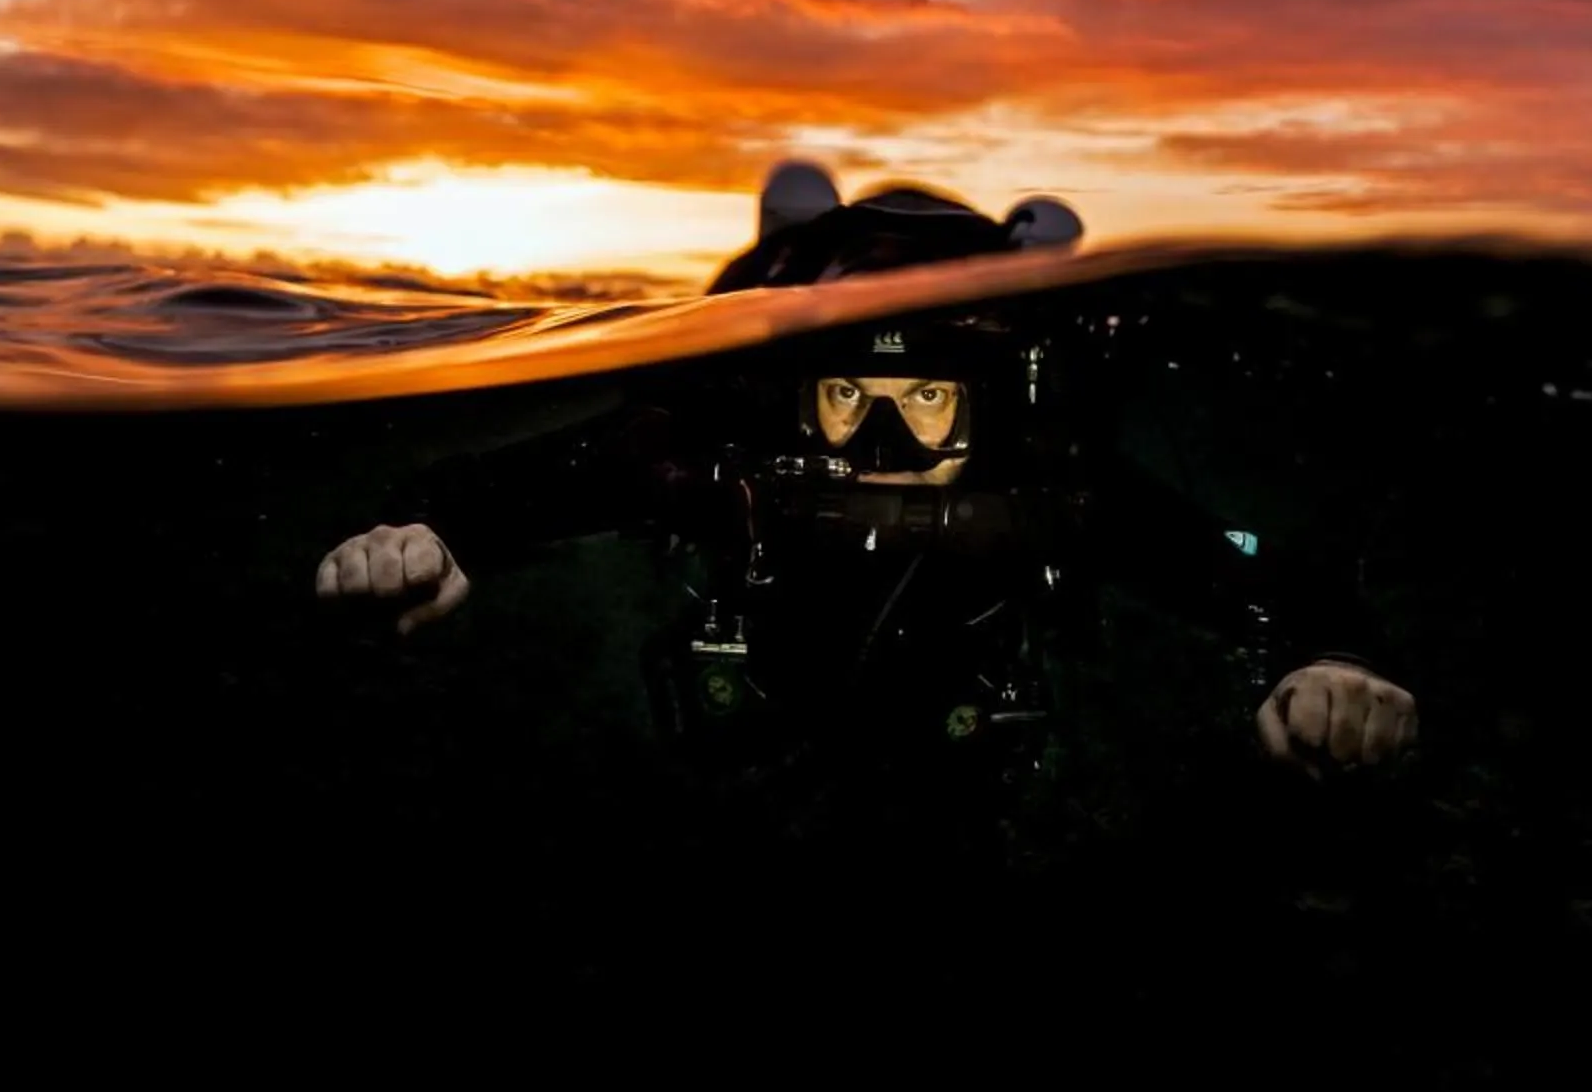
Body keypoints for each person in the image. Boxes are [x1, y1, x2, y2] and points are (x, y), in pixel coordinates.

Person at [316, 168, 1418, 791]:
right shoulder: (719, 453)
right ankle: (826, 237)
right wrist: (420, 537)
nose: (882, 435)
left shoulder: (1051, 482)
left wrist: (1337, 663)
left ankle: (999, 247)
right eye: (850, 398)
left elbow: (1242, 571)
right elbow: (484, 491)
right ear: (801, 396)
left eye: (926, 399)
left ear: (981, 405)